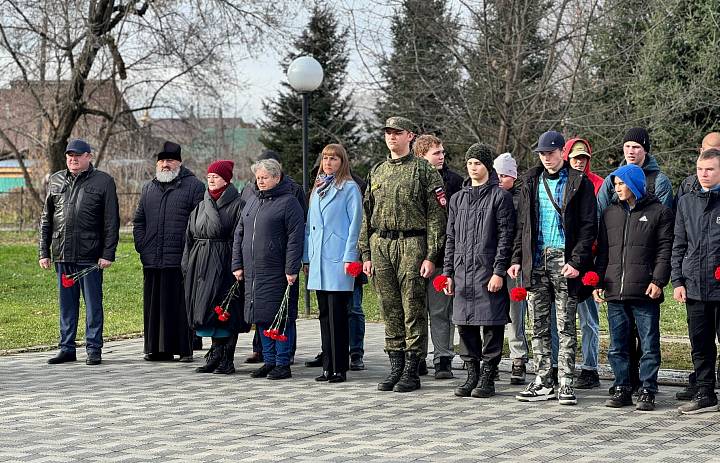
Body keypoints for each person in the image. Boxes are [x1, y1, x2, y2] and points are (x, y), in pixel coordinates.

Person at [359, 116, 447, 393]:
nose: (391, 137)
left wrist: (432, 255)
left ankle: (412, 368)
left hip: (412, 243)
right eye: (388, 133)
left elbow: (436, 216)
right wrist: (365, 253)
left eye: (397, 133)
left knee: (412, 306)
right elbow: (366, 215)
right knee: (389, 307)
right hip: (382, 244)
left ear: (410, 136)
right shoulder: (377, 171)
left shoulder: (423, 170)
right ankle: (395, 366)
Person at [509, 130, 596, 405]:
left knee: (566, 324)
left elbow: (588, 227)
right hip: (535, 260)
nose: (546, 158)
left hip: (565, 259)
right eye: (542, 153)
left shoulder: (579, 182)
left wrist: (577, 262)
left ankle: (566, 382)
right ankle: (543, 380)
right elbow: (521, 225)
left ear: (563, 153)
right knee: (538, 324)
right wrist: (515, 259)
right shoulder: (530, 181)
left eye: (551, 153)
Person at [598, 128, 673, 394]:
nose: (616, 187)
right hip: (615, 289)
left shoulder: (659, 208)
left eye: (621, 184)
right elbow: (605, 251)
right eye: (615, 184)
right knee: (618, 344)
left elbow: (665, 247)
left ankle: (648, 389)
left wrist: (658, 279)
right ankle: (622, 386)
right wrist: (598, 280)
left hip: (644, 289)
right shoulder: (609, 214)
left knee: (649, 343)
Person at [39, 138, 120, 365]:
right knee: (67, 305)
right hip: (63, 255)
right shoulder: (55, 180)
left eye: (78, 155)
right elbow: (47, 218)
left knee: (93, 304)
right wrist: (43, 251)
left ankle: (94, 348)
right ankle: (67, 348)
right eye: (69, 156)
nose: (73, 159)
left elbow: (111, 222)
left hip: (91, 257)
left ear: (88, 157)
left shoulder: (104, 181)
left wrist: (108, 253)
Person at [444, 144, 515, 398]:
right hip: (462, 272)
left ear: (488, 167)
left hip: (487, 270)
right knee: (464, 324)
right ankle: (471, 371)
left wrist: (499, 271)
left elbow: (506, 237)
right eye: (470, 163)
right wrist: (448, 272)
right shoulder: (457, 199)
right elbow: (450, 237)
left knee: (492, 323)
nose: (473, 168)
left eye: (478, 163)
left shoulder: (500, 197)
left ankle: (488, 374)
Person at [232, 158, 304, 380]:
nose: (260, 182)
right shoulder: (252, 200)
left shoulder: (289, 202)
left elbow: (295, 237)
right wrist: (237, 264)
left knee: (280, 318)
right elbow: (239, 233)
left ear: (276, 177)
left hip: (277, 269)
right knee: (261, 316)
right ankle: (269, 360)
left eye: (265, 178)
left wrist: (291, 267)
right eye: (258, 178)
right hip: (254, 269)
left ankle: (283, 362)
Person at [133, 141, 204, 362]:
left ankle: (184, 349)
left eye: (170, 160)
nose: (165, 164)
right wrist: (141, 245)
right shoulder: (149, 187)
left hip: (180, 258)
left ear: (179, 163)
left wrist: (190, 251)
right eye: (162, 160)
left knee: (179, 306)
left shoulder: (194, 186)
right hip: (152, 257)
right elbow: (139, 220)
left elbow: (198, 222)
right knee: (154, 307)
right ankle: (157, 349)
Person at [183, 160, 250, 374]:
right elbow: (189, 237)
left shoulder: (238, 205)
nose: (211, 179)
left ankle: (227, 358)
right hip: (200, 261)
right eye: (209, 176)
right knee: (208, 310)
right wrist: (187, 264)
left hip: (225, 261)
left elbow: (241, 237)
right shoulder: (201, 206)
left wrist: (238, 264)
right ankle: (214, 354)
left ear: (227, 179)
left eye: (217, 176)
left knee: (226, 309)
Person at [303, 144, 363, 383]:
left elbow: (355, 224)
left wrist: (351, 257)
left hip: (338, 259)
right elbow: (309, 227)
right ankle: (327, 365)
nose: (328, 162)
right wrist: (307, 257)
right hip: (319, 259)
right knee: (324, 314)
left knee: (339, 314)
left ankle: (340, 366)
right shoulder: (318, 188)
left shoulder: (348, 188)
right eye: (325, 158)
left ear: (342, 162)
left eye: (334, 159)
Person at [672, 148, 720, 414]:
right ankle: (704, 393)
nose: (704, 174)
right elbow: (678, 244)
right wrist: (677, 281)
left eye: (710, 169)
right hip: (694, 287)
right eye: (701, 169)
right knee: (700, 344)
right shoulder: (686, 201)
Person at [413, 134, 463, 379]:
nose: (442, 156)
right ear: (421, 156)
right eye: (436, 153)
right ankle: (417, 356)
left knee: (441, 310)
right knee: (416, 310)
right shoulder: (411, 179)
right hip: (412, 255)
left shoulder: (455, 182)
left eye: (442, 152)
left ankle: (443, 357)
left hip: (443, 256)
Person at [556, 138, 603, 390]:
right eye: (575, 158)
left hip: (588, 259)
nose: (579, 162)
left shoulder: (598, 184)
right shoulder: (558, 181)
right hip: (559, 258)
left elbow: (600, 225)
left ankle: (590, 367)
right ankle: (556, 366)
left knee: (588, 319)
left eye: (583, 158)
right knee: (558, 318)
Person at [495, 152, 529, 385]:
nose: (499, 179)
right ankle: (492, 359)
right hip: (493, 263)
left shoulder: (521, 199)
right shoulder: (491, 196)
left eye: (504, 175)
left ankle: (518, 358)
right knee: (493, 315)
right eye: (496, 174)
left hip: (514, 264)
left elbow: (519, 233)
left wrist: (515, 259)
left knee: (517, 315)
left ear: (513, 177)